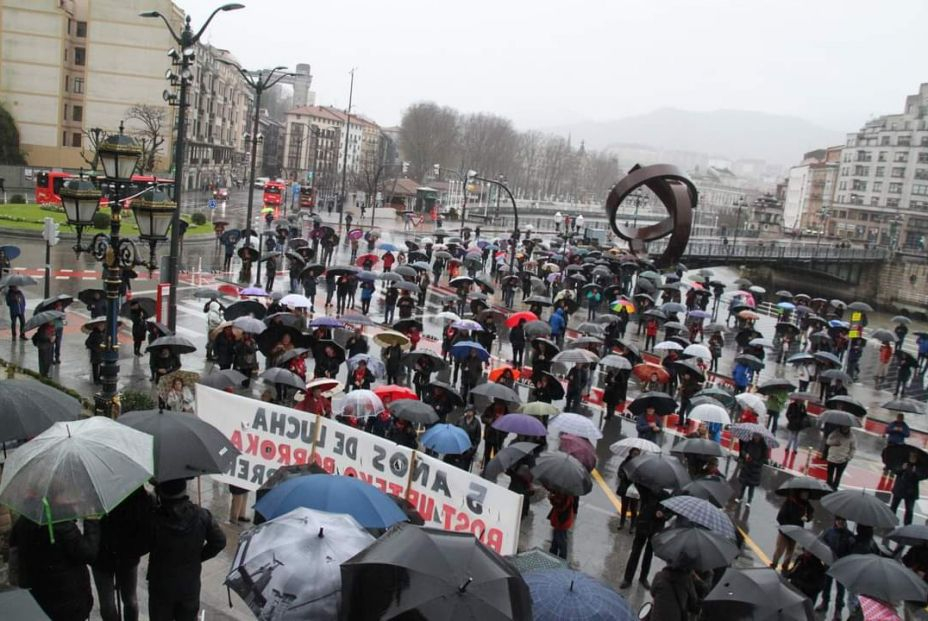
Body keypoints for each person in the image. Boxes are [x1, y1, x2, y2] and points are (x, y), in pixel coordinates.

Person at [143, 479, 226, 621]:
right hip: (189, 586)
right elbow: (219, 541)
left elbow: (141, 545)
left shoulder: (153, 519)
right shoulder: (202, 515)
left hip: (161, 586)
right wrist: (197, 557)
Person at [9, 515, 100, 621]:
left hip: (38, 597)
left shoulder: (23, 521)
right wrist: (92, 522)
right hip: (68, 599)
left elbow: (15, 554)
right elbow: (88, 554)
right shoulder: (61, 524)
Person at [91, 487, 152, 621]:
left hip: (126, 556)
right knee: (108, 605)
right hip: (103, 556)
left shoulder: (138, 493)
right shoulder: (95, 491)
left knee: (129, 600)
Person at [620, 486, 666, 590]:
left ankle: (643, 577)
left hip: (656, 527)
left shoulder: (668, 493)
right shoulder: (647, 487)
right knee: (635, 552)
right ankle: (628, 579)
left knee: (649, 554)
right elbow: (638, 488)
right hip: (643, 523)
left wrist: (663, 514)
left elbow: (672, 510)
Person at [816, 516, 855, 615]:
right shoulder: (829, 532)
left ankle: (838, 610)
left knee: (840, 589)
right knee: (826, 586)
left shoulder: (849, 535)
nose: (840, 522)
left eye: (843, 521)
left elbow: (852, 552)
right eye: (839, 520)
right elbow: (821, 543)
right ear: (835, 521)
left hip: (842, 566)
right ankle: (824, 603)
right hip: (829, 564)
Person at [770, 490, 813, 570]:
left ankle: (785, 566)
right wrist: (787, 527)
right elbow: (780, 517)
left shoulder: (806, 505)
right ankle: (774, 564)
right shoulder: (789, 502)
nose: (805, 496)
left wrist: (808, 517)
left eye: (807, 494)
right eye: (804, 494)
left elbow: (810, 515)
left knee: (790, 550)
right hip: (785, 531)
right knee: (780, 549)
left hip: (796, 532)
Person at [891, 450, 925, 525]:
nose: (912, 457)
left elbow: (922, 476)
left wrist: (915, 472)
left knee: (909, 510)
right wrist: (902, 468)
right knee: (894, 506)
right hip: (900, 488)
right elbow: (896, 471)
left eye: (914, 456)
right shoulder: (903, 462)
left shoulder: (919, 466)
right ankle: (890, 521)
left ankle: (907, 525)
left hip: (911, 491)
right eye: (911, 455)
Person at [737, 432, 767, 506]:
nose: (755, 437)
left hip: (755, 469)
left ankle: (749, 500)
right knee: (743, 484)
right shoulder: (749, 442)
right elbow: (743, 450)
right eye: (754, 435)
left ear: (760, 436)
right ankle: (740, 497)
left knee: (752, 486)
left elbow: (764, 459)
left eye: (757, 436)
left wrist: (755, 463)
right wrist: (745, 455)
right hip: (747, 466)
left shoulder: (764, 446)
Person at [616, 448, 640, 532]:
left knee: (634, 508)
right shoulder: (625, 462)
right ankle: (621, 523)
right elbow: (619, 473)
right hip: (625, 488)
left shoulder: (640, 464)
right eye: (634, 453)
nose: (635, 455)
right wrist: (626, 476)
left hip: (635, 489)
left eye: (637, 454)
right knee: (624, 507)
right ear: (630, 453)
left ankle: (632, 525)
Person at [547, 490, 576, 560]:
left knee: (561, 541)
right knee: (556, 540)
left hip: (561, 522)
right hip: (560, 522)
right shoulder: (566, 492)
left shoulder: (565, 495)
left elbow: (561, 507)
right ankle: (553, 555)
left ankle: (561, 559)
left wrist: (551, 498)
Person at [456, 406, 481, 471]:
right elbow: (455, 431)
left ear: (473, 412)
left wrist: (472, 450)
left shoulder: (477, 423)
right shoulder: (460, 419)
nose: (468, 412)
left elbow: (477, 439)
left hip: (468, 450)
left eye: (470, 411)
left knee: (464, 468)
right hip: (458, 447)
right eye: (467, 411)